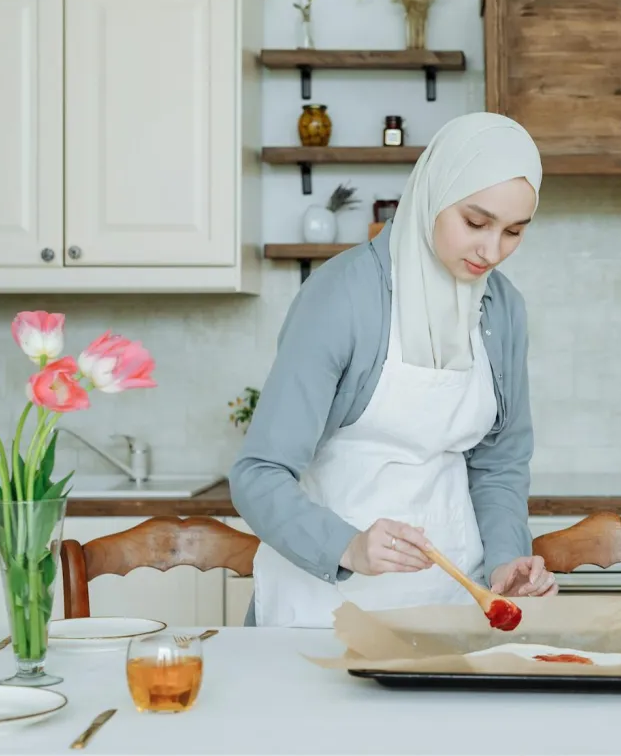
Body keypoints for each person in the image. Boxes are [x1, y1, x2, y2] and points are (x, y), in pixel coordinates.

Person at [230, 112, 558, 628]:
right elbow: (258, 475)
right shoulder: (341, 295)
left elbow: (498, 466)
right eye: (475, 222)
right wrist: (349, 547)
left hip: (450, 605)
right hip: (326, 604)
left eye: (513, 231)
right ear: (432, 193)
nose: (492, 251)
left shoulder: (502, 308)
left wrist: (504, 561)